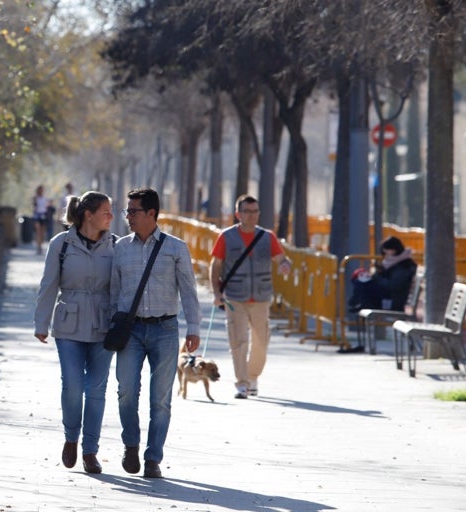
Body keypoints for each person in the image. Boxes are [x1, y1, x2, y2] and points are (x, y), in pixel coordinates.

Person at [110, 187, 202, 479]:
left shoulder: (175, 248)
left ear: (152, 213)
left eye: (133, 211)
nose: (128, 217)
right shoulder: (121, 248)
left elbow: (188, 290)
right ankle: (131, 445)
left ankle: (153, 458)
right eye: (127, 211)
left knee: (160, 399)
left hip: (165, 329)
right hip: (131, 330)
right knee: (126, 391)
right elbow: (114, 291)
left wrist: (194, 327)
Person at [34, 191, 117, 474]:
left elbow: (122, 287)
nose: (111, 216)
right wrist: (40, 322)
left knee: (96, 389)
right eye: (106, 211)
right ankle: (71, 438)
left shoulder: (115, 245)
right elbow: (48, 284)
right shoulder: (62, 243)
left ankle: (90, 450)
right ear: (88, 215)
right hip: (68, 322)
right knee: (73, 385)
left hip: (103, 325)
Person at [209, 195, 292, 400]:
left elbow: (282, 258)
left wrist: (285, 265)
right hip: (234, 296)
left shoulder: (267, 237)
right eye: (247, 211)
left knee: (261, 342)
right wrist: (217, 293)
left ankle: (253, 375)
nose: (252, 216)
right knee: (238, 341)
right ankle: (242, 384)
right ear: (238, 214)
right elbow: (216, 265)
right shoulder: (226, 237)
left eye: (255, 211)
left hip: (261, 297)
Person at [340, 236, 418, 353]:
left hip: (393, 302)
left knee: (363, 285)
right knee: (361, 281)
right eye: (384, 252)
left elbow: (393, 285)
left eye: (389, 251)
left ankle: (357, 302)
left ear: (396, 250)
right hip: (386, 297)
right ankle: (359, 302)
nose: (386, 254)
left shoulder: (404, 265)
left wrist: (376, 278)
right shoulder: (391, 263)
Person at [33, 185, 50, 254]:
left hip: (44, 216)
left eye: (42, 190)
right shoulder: (35, 198)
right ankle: (38, 247)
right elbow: (34, 207)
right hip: (37, 216)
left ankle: (41, 245)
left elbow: (46, 207)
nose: (41, 191)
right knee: (38, 232)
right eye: (40, 189)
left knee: (42, 233)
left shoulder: (45, 198)